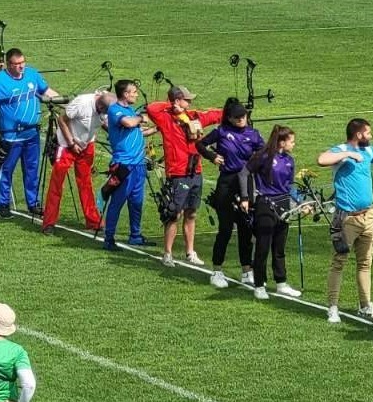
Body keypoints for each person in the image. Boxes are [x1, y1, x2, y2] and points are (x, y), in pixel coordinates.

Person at [316, 118, 373, 324]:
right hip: (347, 217)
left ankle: (365, 305)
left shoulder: (369, 151)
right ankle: (333, 307)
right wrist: (347, 154)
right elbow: (321, 159)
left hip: (368, 215)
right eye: (368, 133)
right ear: (358, 134)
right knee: (339, 262)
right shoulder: (340, 150)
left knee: (365, 263)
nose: (371, 136)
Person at [145, 86, 223, 275]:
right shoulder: (165, 119)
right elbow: (151, 109)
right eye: (186, 100)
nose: (190, 103)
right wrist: (171, 105)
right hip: (178, 173)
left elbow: (214, 115)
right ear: (177, 101)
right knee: (174, 213)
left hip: (195, 171)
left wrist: (235, 110)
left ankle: (190, 252)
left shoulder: (194, 117)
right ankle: (168, 253)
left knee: (192, 213)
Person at [0, 48, 62, 218]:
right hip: (11, 135)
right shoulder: (0, 81)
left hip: (32, 134)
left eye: (22, 63)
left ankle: (33, 203)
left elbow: (47, 91)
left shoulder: (32, 74)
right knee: (6, 169)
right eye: (16, 64)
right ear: (9, 65)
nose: (20, 67)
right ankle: (3, 204)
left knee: (32, 170)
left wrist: (67, 104)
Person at [199, 99, 264, 286]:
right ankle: (217, 270)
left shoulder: (253, 134)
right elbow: (201, 144)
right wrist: (212, 156)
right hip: (227, 183)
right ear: (230, 118)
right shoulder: (222, 132)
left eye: (243, 116)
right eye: (237, 117)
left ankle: (247, 270)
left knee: (246, 229)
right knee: (225, 229)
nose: (241, 120)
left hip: (246, 183)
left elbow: (263, 152)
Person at [40, 89, 112, 234]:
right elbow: (62, 120)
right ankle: (49, 222)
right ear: (100, 106)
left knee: (85, 183)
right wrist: (71, 143)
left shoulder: (105, 109)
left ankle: (93, 220)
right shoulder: (81, 103)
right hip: (66, 145)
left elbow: (103, 123)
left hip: (86, 146)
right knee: (57, 183)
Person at [243, 125, 302, 300]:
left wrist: (300, 203)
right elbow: (245, 173)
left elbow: (290, 186)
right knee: (263, 246)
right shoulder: (263, 156)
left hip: (284, 204)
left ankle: (281, 282)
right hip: (266, 204)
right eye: (291, 141)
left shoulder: (289, 161)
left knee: (279, 247)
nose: (294, 144)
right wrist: (246, 197)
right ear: (282, 142)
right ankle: (259, 285)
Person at [101, 79, 156, 251]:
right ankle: (108, 238)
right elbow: (129, 123)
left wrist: (158, 128)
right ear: (125, 94)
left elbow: (137, 131)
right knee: (117, 202)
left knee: (137, 202)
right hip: (124, 166)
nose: (136, 94)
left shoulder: (129, 110)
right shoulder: (115, 110)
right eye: (133, 92)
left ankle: (135, 236)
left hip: (138, 165)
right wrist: (141, 117)